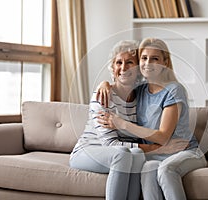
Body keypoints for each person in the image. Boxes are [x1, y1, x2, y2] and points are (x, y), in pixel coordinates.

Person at [70, 40, 187, 200]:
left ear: (138, 69)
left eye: (129, 62)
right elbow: (110, 145)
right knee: (124, 154)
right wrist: (157, 149)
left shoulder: (141, 96)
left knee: (137, 154)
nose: (123, 68)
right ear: (113, 67)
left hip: (124, 152)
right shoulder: (104, 95)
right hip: (88, 151)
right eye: (119, 62)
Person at [97, 38, 207, 200]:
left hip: (185, 151)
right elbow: (120, 82)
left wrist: (122, 124)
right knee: (147, 169)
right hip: (157, 155)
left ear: (165, 62)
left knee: (166, 170)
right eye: (144, 58)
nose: (148, 63)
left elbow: (163, 137)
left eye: (154, 59)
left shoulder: (174, 90)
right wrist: (104, 83)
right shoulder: (140, 90)